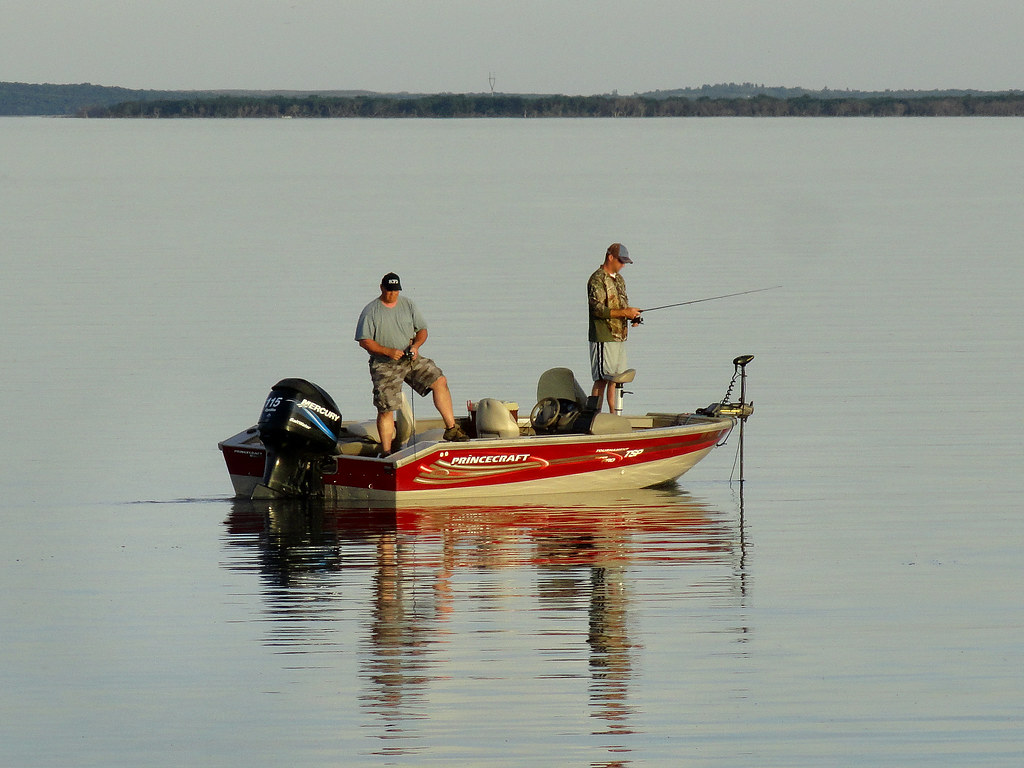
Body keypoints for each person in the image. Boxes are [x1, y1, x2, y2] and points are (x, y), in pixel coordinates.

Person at [355, 272, 469, 455]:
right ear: (382, 288)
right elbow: (365, 341)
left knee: (439, 380)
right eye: (390, 290)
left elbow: (422, 330)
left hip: (410, 359)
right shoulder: (371, 311)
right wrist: (388, 351)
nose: (393, 294)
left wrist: (415, 346)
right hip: (384, 364)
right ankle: (386, 452)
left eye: (396, 291)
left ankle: (452, 429)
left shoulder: (408, 305)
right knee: (386, 407)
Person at [587, 243, 642, 412]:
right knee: (602, 379)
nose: (623, 265)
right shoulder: (597, 279)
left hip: (619, 337)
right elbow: (598, 310)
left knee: (616, 378)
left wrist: (633, 316)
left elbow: (622, 304)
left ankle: (613, 416)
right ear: (610, 257)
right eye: (620, 261)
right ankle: (593, 416)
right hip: (603, 337)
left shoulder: (619, 279)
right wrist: (625, 312)